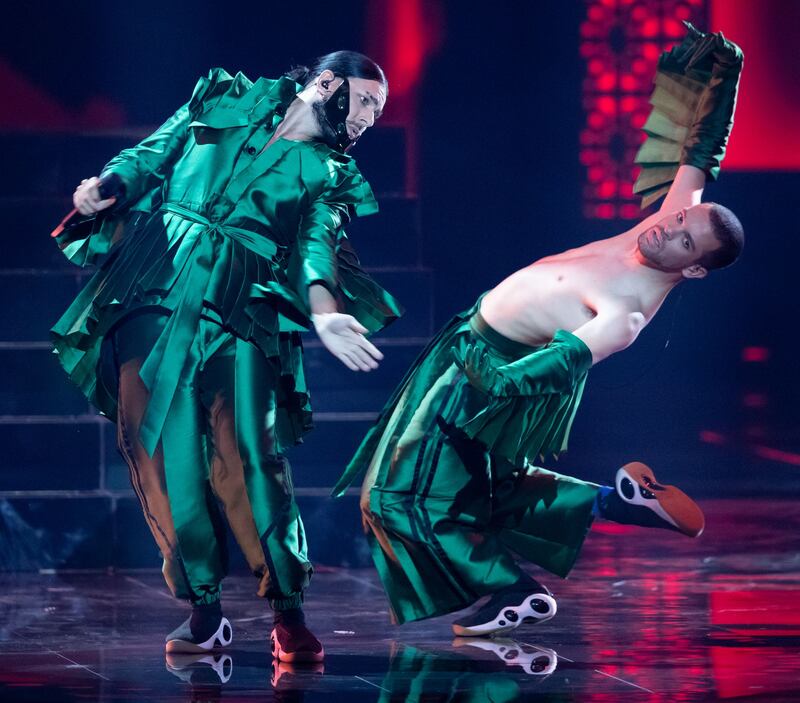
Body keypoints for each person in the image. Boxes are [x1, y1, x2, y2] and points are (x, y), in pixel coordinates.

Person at [332, 24, 744, 636]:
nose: (670, 225)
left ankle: (510, 587)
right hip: (469, 349)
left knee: (391, 499)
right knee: (483, 489)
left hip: (490, 377)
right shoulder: (659, 228)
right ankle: (609, 507)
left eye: (685, 238)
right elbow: (702, 149)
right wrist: (727, 72)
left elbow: (560, 365)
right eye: (680, 215)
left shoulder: (628, 312)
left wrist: (485, 374)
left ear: (693, 268)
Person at [51, 51, 402, 662]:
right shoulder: (222, 100)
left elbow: (315, 247)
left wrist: (324, 310)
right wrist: (103, 189)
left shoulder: (330, 175)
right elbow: (152, 155)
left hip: (242, 304)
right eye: (367, 100)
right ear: (326, 84)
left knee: (247, 454)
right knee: (156, 445)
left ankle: (287, 609)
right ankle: (204, 609)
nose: (371, 117)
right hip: (158, 283)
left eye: (380, 107)